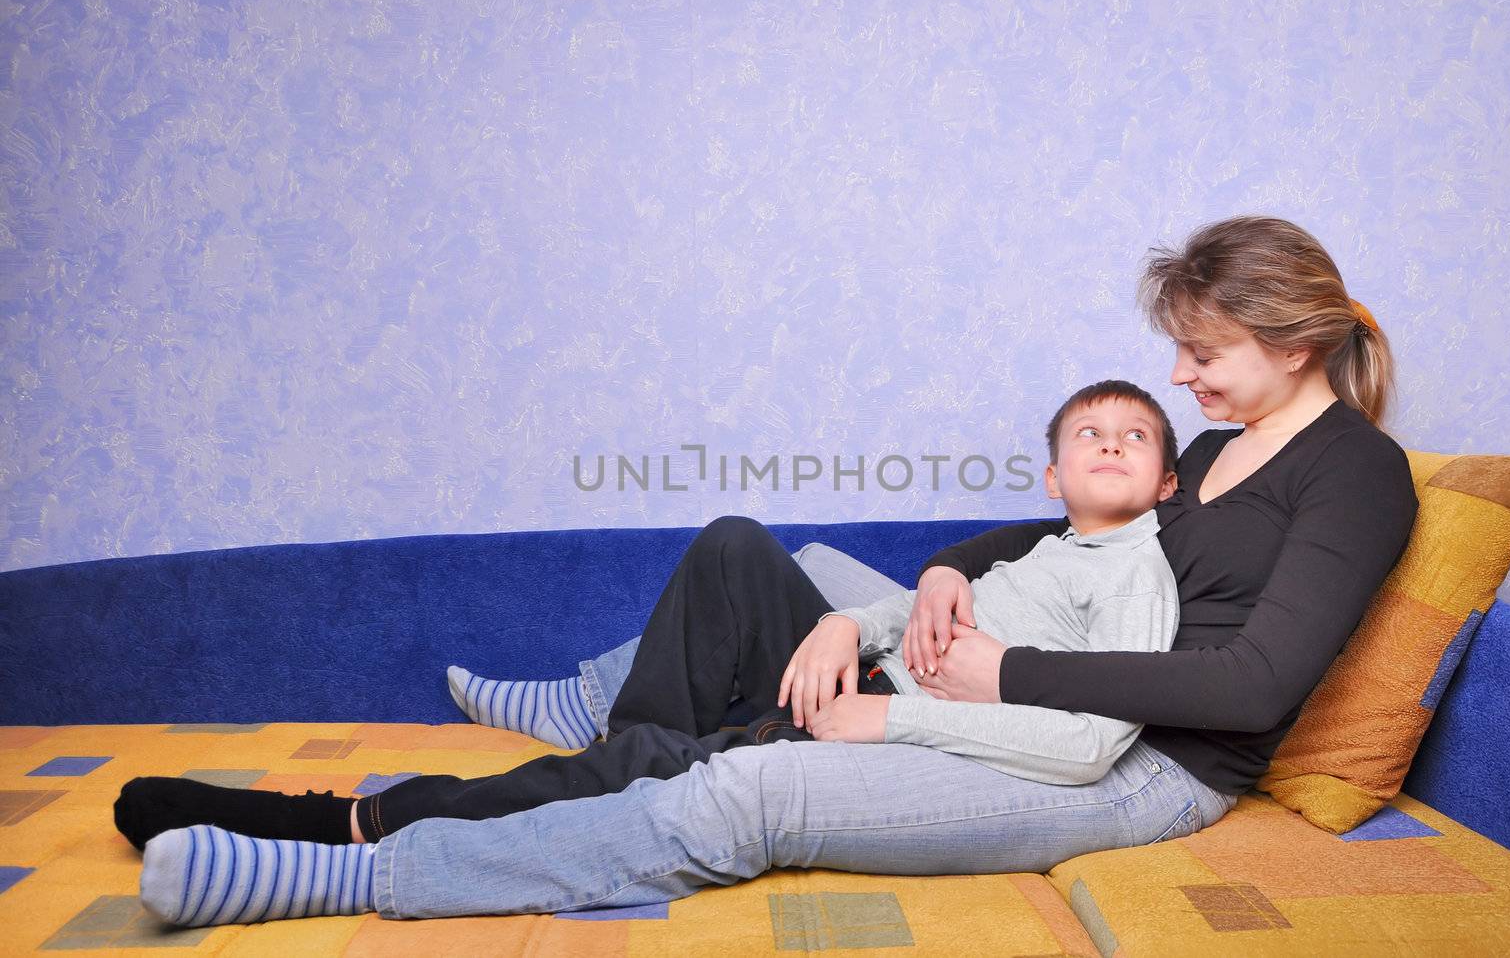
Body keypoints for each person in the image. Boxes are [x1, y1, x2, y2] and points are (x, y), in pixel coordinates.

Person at [136, 215, 1417, 928]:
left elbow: (1249, 685)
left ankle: (359, 859)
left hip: (1141, 768)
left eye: (1202, 349)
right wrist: (934, 587)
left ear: (1295, 336)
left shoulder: (1355, 473)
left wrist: (983, 673)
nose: (1182, 375)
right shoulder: (1207, 447)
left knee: (738, 790)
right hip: (1035, 668)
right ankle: (609, 714)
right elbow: (1060, 541)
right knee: (769, 561)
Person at [116, 378, 1180, 852]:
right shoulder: (1039, 548)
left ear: (1168, 483)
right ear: (1050, 471)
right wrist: (842, 628)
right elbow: (919, 620)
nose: (1111, 441)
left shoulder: (1137, 568)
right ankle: (623, 744)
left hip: (908, 740)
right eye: (1089, 431)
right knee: (733, 543)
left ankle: (337, 822)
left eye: (1136, 435)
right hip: (864, 678)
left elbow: (1082, 744)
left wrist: (887, 717)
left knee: (655, 760)